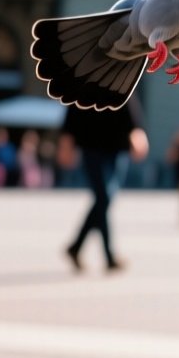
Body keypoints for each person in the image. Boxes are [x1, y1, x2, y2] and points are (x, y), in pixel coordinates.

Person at [60, 97, 147, 272]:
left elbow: (129, 104)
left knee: (104, 199)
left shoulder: (120, 72)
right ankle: (108, 256)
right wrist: (66, 143)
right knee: (104, 198)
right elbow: (73, 110)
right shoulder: (82, 76)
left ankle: (77, 247)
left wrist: (138, 133)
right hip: (91, 146)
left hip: (117, 147)